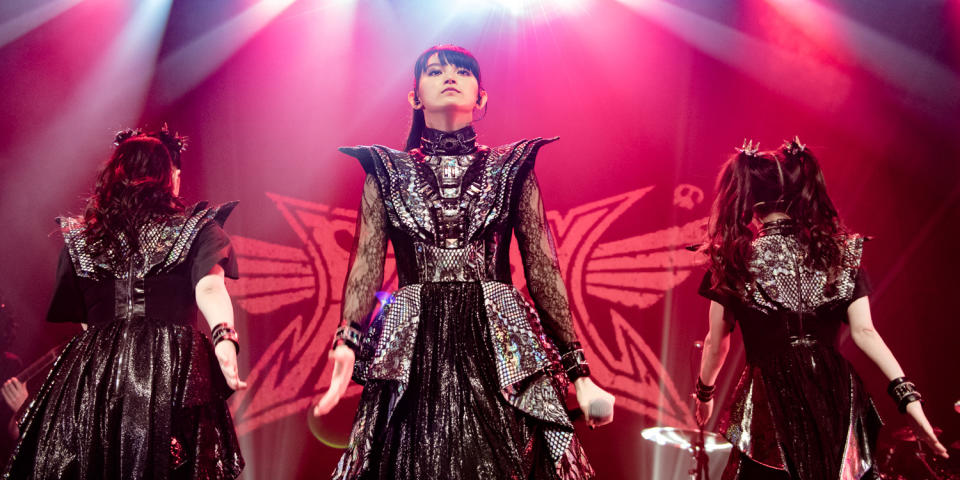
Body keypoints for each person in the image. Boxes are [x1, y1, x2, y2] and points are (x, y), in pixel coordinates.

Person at [312, 45, 615, 479]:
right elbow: (365, 265)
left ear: (482, 96)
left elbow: (543, 269)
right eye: (435, 71)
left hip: (499, 343)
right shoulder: (384, 168)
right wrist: (346, 344)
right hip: (414, 346)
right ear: (415, 95)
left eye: (462, 71)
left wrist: (579, 373)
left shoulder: (513, 165)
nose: (449, 76)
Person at [694, 139, 948, 479]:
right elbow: (865, 332)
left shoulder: (734, 260)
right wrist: (909, 400)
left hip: (770, 396)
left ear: (750, 200)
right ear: (802, 194)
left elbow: (716, 344)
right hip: (835, 391)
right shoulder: (838, 254)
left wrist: (704, 393)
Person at [3, 127, 246, 479]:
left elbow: (87, 322)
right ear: (168, 177)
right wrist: (225, 337)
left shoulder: (81, 239)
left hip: (97, 374)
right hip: (169, 368)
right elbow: (209, 287)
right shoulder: (197, 228)